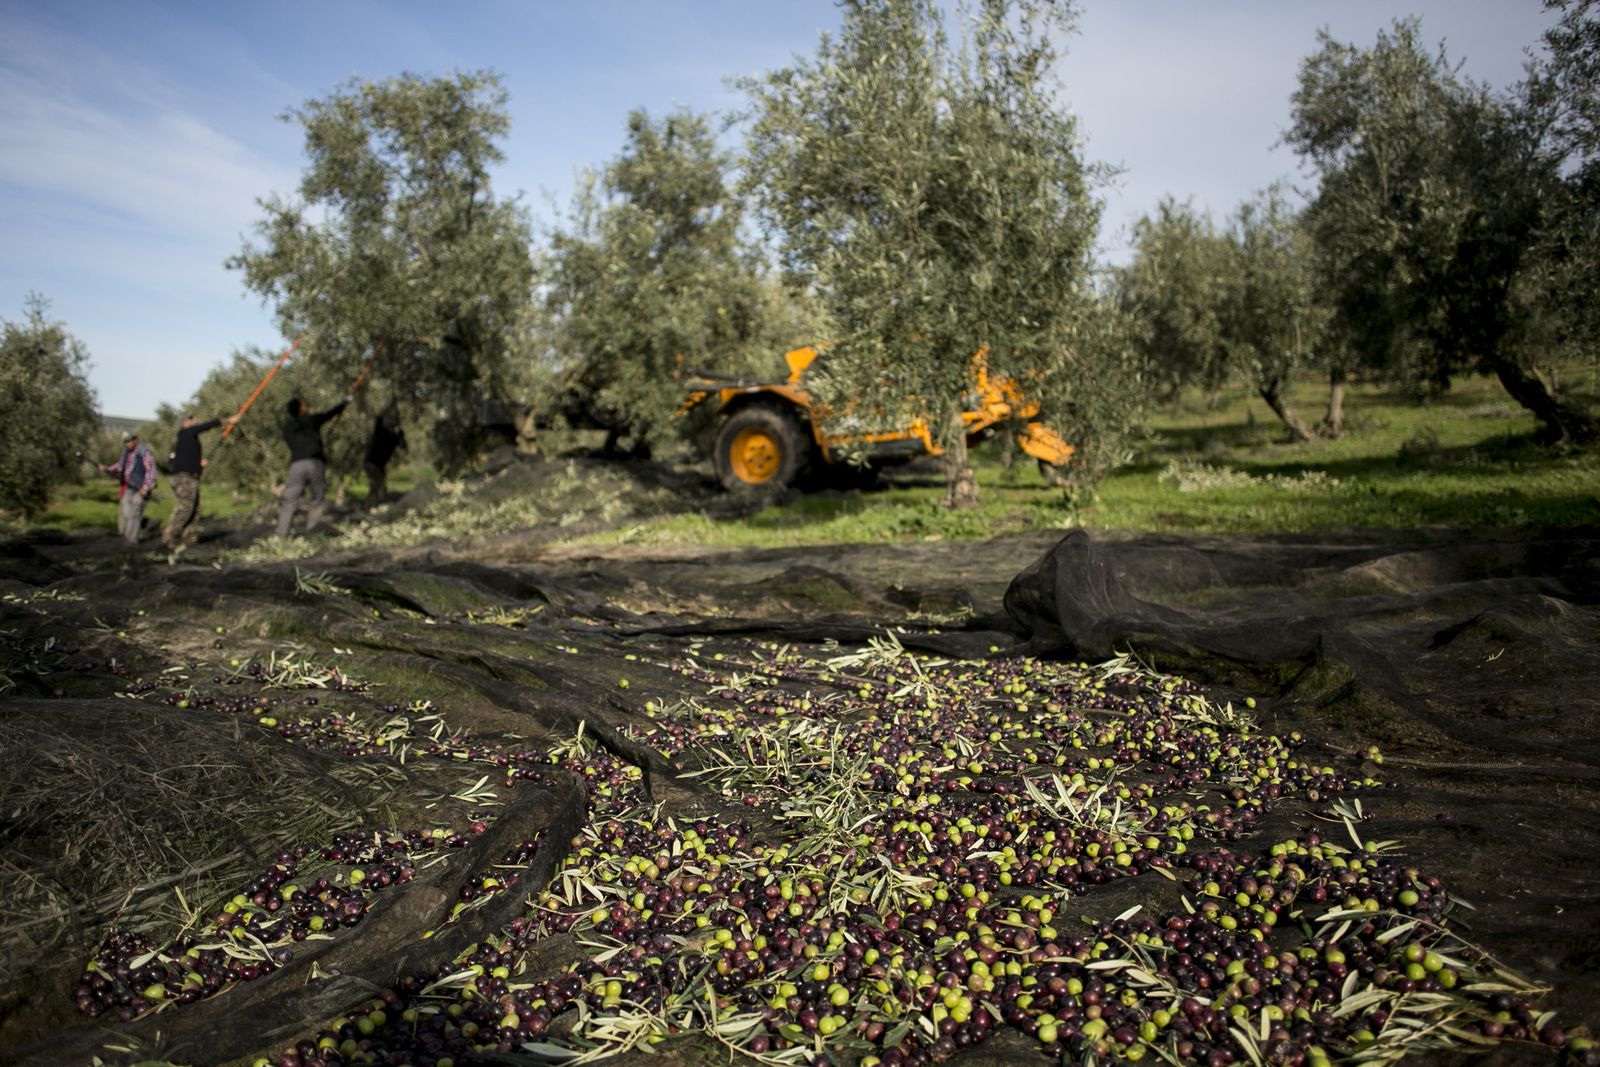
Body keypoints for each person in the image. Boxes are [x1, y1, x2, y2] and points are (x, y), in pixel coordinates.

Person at [275, 394, 350, 539]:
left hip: (296, 465)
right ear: (300, 409)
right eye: (304, 406)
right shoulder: (312, 420)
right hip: (315, 463)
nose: (306, 407)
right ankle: (313, 532)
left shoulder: (287, 428)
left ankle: (281, 536)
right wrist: (345, 402)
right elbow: (330, 413)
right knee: (317, 499)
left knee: (290, 501)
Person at [163, 413, 231, 551]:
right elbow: (203, 427)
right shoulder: (185, 433)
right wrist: (225, 420)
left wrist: (198, 464)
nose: (195, 420)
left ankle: (188, 538)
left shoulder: (188, 440)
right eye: (191, 419)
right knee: (185, 507)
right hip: (184, 478)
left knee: (195, 508)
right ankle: (169, 537)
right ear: (185, 422)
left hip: (190, 477)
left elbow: (187, 458)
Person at [101, 431, 157, 545]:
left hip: (141, 489)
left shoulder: (144, 453)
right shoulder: (127, 453)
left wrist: (145, 488)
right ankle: (126, 537)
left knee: (135, 513)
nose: (126, 444)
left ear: (136, 440)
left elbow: (151, 472)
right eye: (125, 442)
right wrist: (108, 469)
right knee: (126, 511)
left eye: (128, 441)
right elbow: (120, 466)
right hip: (130, 487)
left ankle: (131, 540)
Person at [363, 402, 407, 505]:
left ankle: (378, 505)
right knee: (376, 483)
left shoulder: (394, 438)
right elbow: (379, 416)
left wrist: (401, 436)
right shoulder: (380, 431)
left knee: (381, 486)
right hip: (371, 463)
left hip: (380, 466)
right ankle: (369, 505)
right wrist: (389, 406)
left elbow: (403, 446)